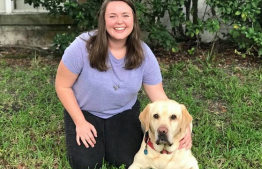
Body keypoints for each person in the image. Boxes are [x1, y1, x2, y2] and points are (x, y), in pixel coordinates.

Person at [55, 0, 192, 168]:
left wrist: (184, 128)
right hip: (85, 112)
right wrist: (80, 122)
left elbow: (160, 98)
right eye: (112, 16)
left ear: (133, 20)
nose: (119, 21)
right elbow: (62, 85)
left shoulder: (144, 54)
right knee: (86, 164)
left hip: (123, 112)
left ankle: (110, 141)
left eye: (125, 15)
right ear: (103, 20)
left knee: (127, 160)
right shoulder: (81, 46)